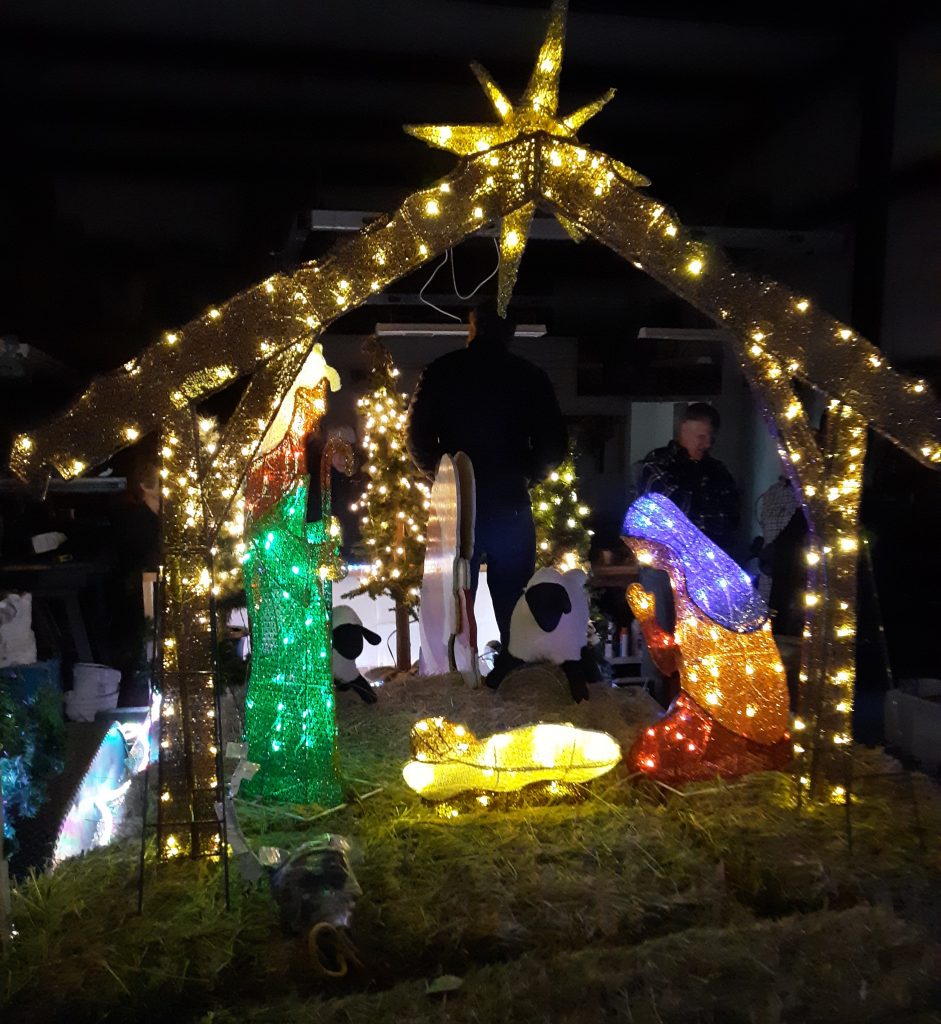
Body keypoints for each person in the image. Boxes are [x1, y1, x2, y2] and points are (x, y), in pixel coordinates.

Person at [406, 302, 567, 655]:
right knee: (517, 608)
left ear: (472, 327)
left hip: (459, 510)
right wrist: (526, 475)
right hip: (509, 502)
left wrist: (449, 479)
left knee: (452, 611)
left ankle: (454, 688)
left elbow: (417, 441)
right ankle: (514, 680)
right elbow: (553, 448)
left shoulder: (441, 371)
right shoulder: (530, 377)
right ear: (511, 332)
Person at [633, 402, 740, 706]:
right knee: (660, 637)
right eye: (701, 436)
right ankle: (652, 706)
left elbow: (731, 516)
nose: (707, 444)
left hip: (707, 570)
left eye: (710, 438)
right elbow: (667, 510)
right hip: (663, 567)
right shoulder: (658, 465)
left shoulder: (717, 472)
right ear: (684, 430)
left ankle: (698, 708)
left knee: (703, 640)